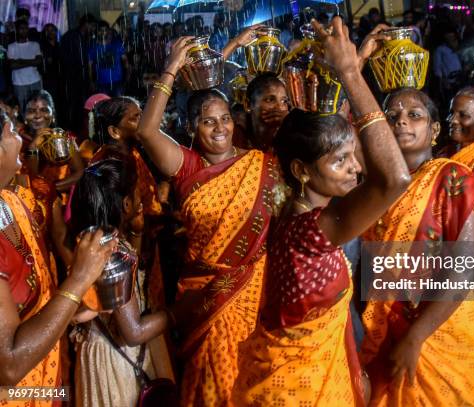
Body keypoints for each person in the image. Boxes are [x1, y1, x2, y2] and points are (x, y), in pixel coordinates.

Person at [232, 16, 410, 406]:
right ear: (301, 170)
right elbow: (394, 179)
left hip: (309, 377)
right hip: (300, 390)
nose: (355, 167)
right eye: (341, 160)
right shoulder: (310, 231)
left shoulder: (299, 214)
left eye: (351, 157)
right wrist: (349, 71)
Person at [136, 35, 287, 406]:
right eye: (208, 122)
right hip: (208, 299)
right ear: (193, 128)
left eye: (224, 119)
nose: (219, 129)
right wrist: (171, 69)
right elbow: (145, 131)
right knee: (218, 388)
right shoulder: (187, 166)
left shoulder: (260, 163)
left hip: (260, 293)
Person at [360, 87, 474, 407]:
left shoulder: (453, 179)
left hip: (444, 332)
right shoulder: (371, 189)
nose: (401, 123)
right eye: (392, 117)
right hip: (385, 329)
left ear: (435, 130)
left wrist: (415, 337)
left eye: (414, 115)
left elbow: (463, 272)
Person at [0, 105, 116, 391]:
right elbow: (10, 365)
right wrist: (79, 279)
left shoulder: (16, 201)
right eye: (12, 130)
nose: (19, 136)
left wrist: (72, 304)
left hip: (47, 374)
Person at [68, 159, 174, 407]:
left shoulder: (91, 241)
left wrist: (136, 233)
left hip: (99, 354)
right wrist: (179, 313)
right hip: (118, 360)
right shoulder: (114, 253)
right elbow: (133, 332)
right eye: (138, 191)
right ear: (126, 203)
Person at [239, 73, 290, 151]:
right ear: (248, 105)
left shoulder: (292, 137)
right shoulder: (236, 137)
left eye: (284, 101)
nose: (279, 107)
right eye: (270, 100)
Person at [7, 20, 42, 112]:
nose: (24, 31)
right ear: (17, 30)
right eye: (21, 29)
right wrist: (31, 62)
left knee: (38, 107)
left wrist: (21, 61)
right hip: (19, 83)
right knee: (24, 110)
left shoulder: (35, 44)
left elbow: (38, 62)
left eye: (26, 28)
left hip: (35, 81)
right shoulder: (11, 47)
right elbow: (12, 65)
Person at [88, 21, 130, 97]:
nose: (103, 32)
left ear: (108, 31)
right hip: (101, 83)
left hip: (117, 82)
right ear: (97, 32)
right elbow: (89, 66)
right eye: (101, 30)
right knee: (104, 106)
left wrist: (126, 78)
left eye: (105, 30)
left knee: (118, 106)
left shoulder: (117, 45)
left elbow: (126, 62)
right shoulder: (93, 48)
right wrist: (91, 81)